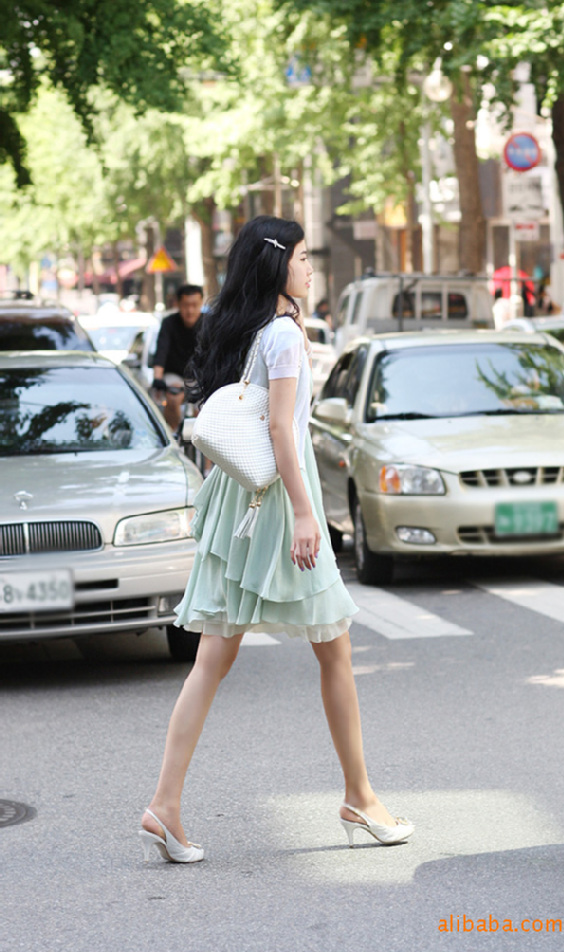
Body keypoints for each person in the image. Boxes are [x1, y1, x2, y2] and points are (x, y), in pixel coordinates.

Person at [138, 215, 413, 864]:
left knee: (214, 659)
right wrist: (304, 514)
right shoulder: (284, 334)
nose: (311, 267)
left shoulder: (255, 329)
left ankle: (165, 805)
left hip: (243, 499)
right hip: (279, 500)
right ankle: (359, 797)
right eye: (302, 256)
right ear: (276, 264)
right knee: (334, 650)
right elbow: (281, 431)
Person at [152, 284, 204, 431]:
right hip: (175, 375)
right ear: (179, 304)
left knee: (204, 409)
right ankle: (173, 434)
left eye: (194, 305)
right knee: (173, 399)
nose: (190, 310)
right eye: (186, 305)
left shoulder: (210, 323)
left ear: (201, 303)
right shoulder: (169, 323)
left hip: (201, 377)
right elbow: (161, 352)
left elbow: (216, 354)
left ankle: (202, 438)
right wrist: (157, 378)